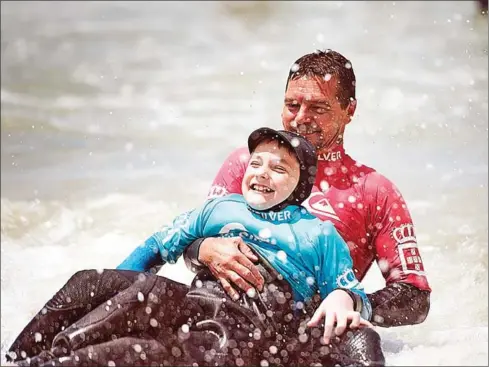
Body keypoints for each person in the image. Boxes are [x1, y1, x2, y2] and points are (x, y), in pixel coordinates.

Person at [7, 128, 385, 367]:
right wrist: (116, 283)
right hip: (188, 305)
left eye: (279, 168)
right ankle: (18, 355)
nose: (262, 173)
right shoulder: (220, 209)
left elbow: (350, 290)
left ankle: (56, 359)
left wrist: (343, 298)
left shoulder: (318, 233)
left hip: (241, 330)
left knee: (129, 352)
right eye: (256, 163)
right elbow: (157, 246)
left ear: (301, 187)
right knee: (90, 280)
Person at [181, 49, 432, 328]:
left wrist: (352, 302)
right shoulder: (246, 165)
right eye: (292, 105)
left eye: (318, 108)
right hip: (220, 317)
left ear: (350, 110)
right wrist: (203, 249)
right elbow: (186, 239)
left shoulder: (374, 192)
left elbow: (415, 298)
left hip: (305, 334)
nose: (301, 118)